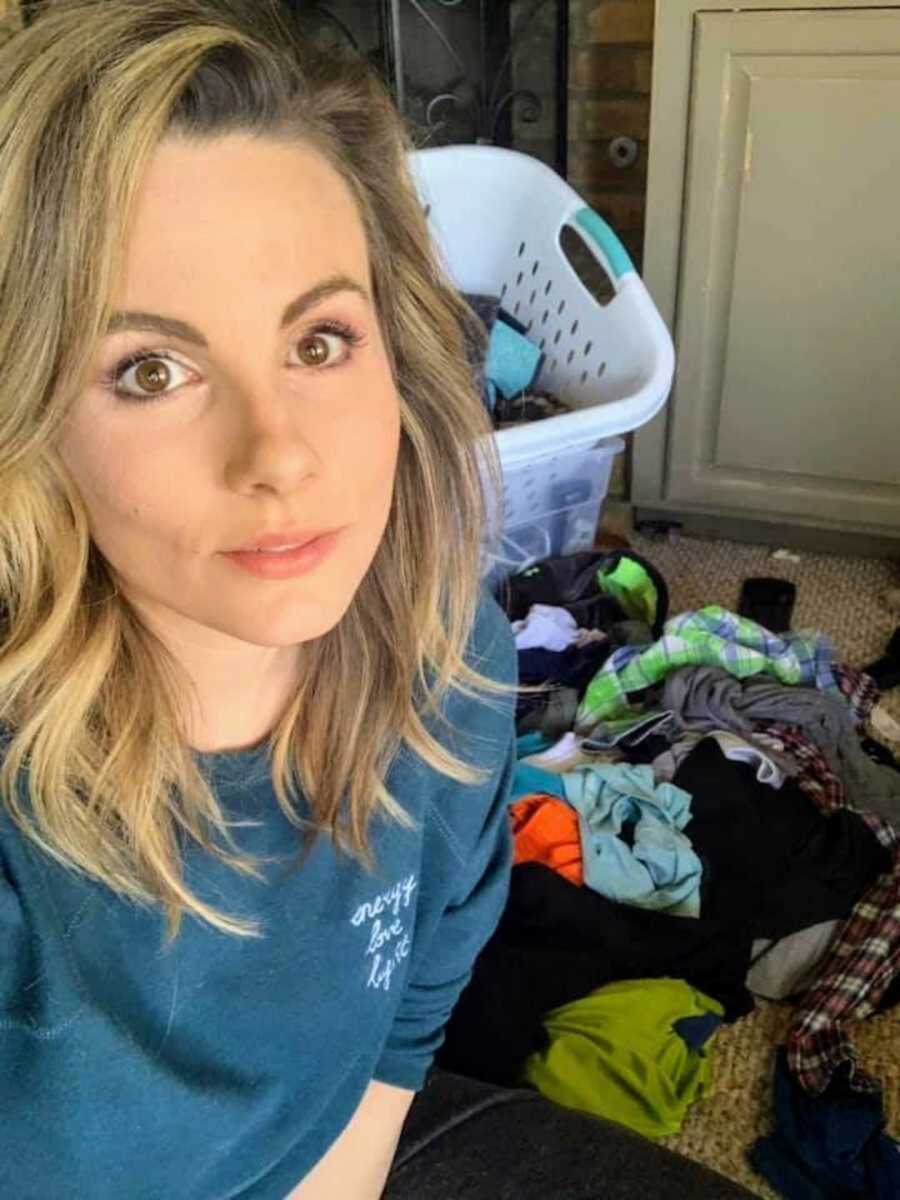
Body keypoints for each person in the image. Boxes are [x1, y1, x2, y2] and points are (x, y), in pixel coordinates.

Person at [0, 2, 756, 1196]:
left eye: (318, 342)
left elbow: (410, 1011)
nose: (283, 458)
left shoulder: (444, 647)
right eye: (151, 369)